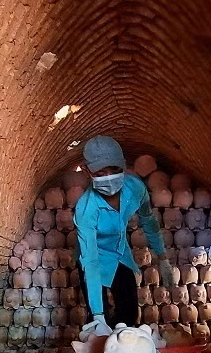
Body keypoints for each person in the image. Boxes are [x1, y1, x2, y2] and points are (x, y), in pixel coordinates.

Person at [74, 136, 174, 330]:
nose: (109, 178)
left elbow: (148, 221)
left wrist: (162, 258)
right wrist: (98, 315)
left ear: (124, 165)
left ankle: (124, 344)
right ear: (86, 171)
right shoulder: (86, 209)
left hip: (120, 252)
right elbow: (91, 262)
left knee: (129, 313)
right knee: (98, 317)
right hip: (93, 255)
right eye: (101, 173)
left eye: (115, 170)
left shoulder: (135, 188)